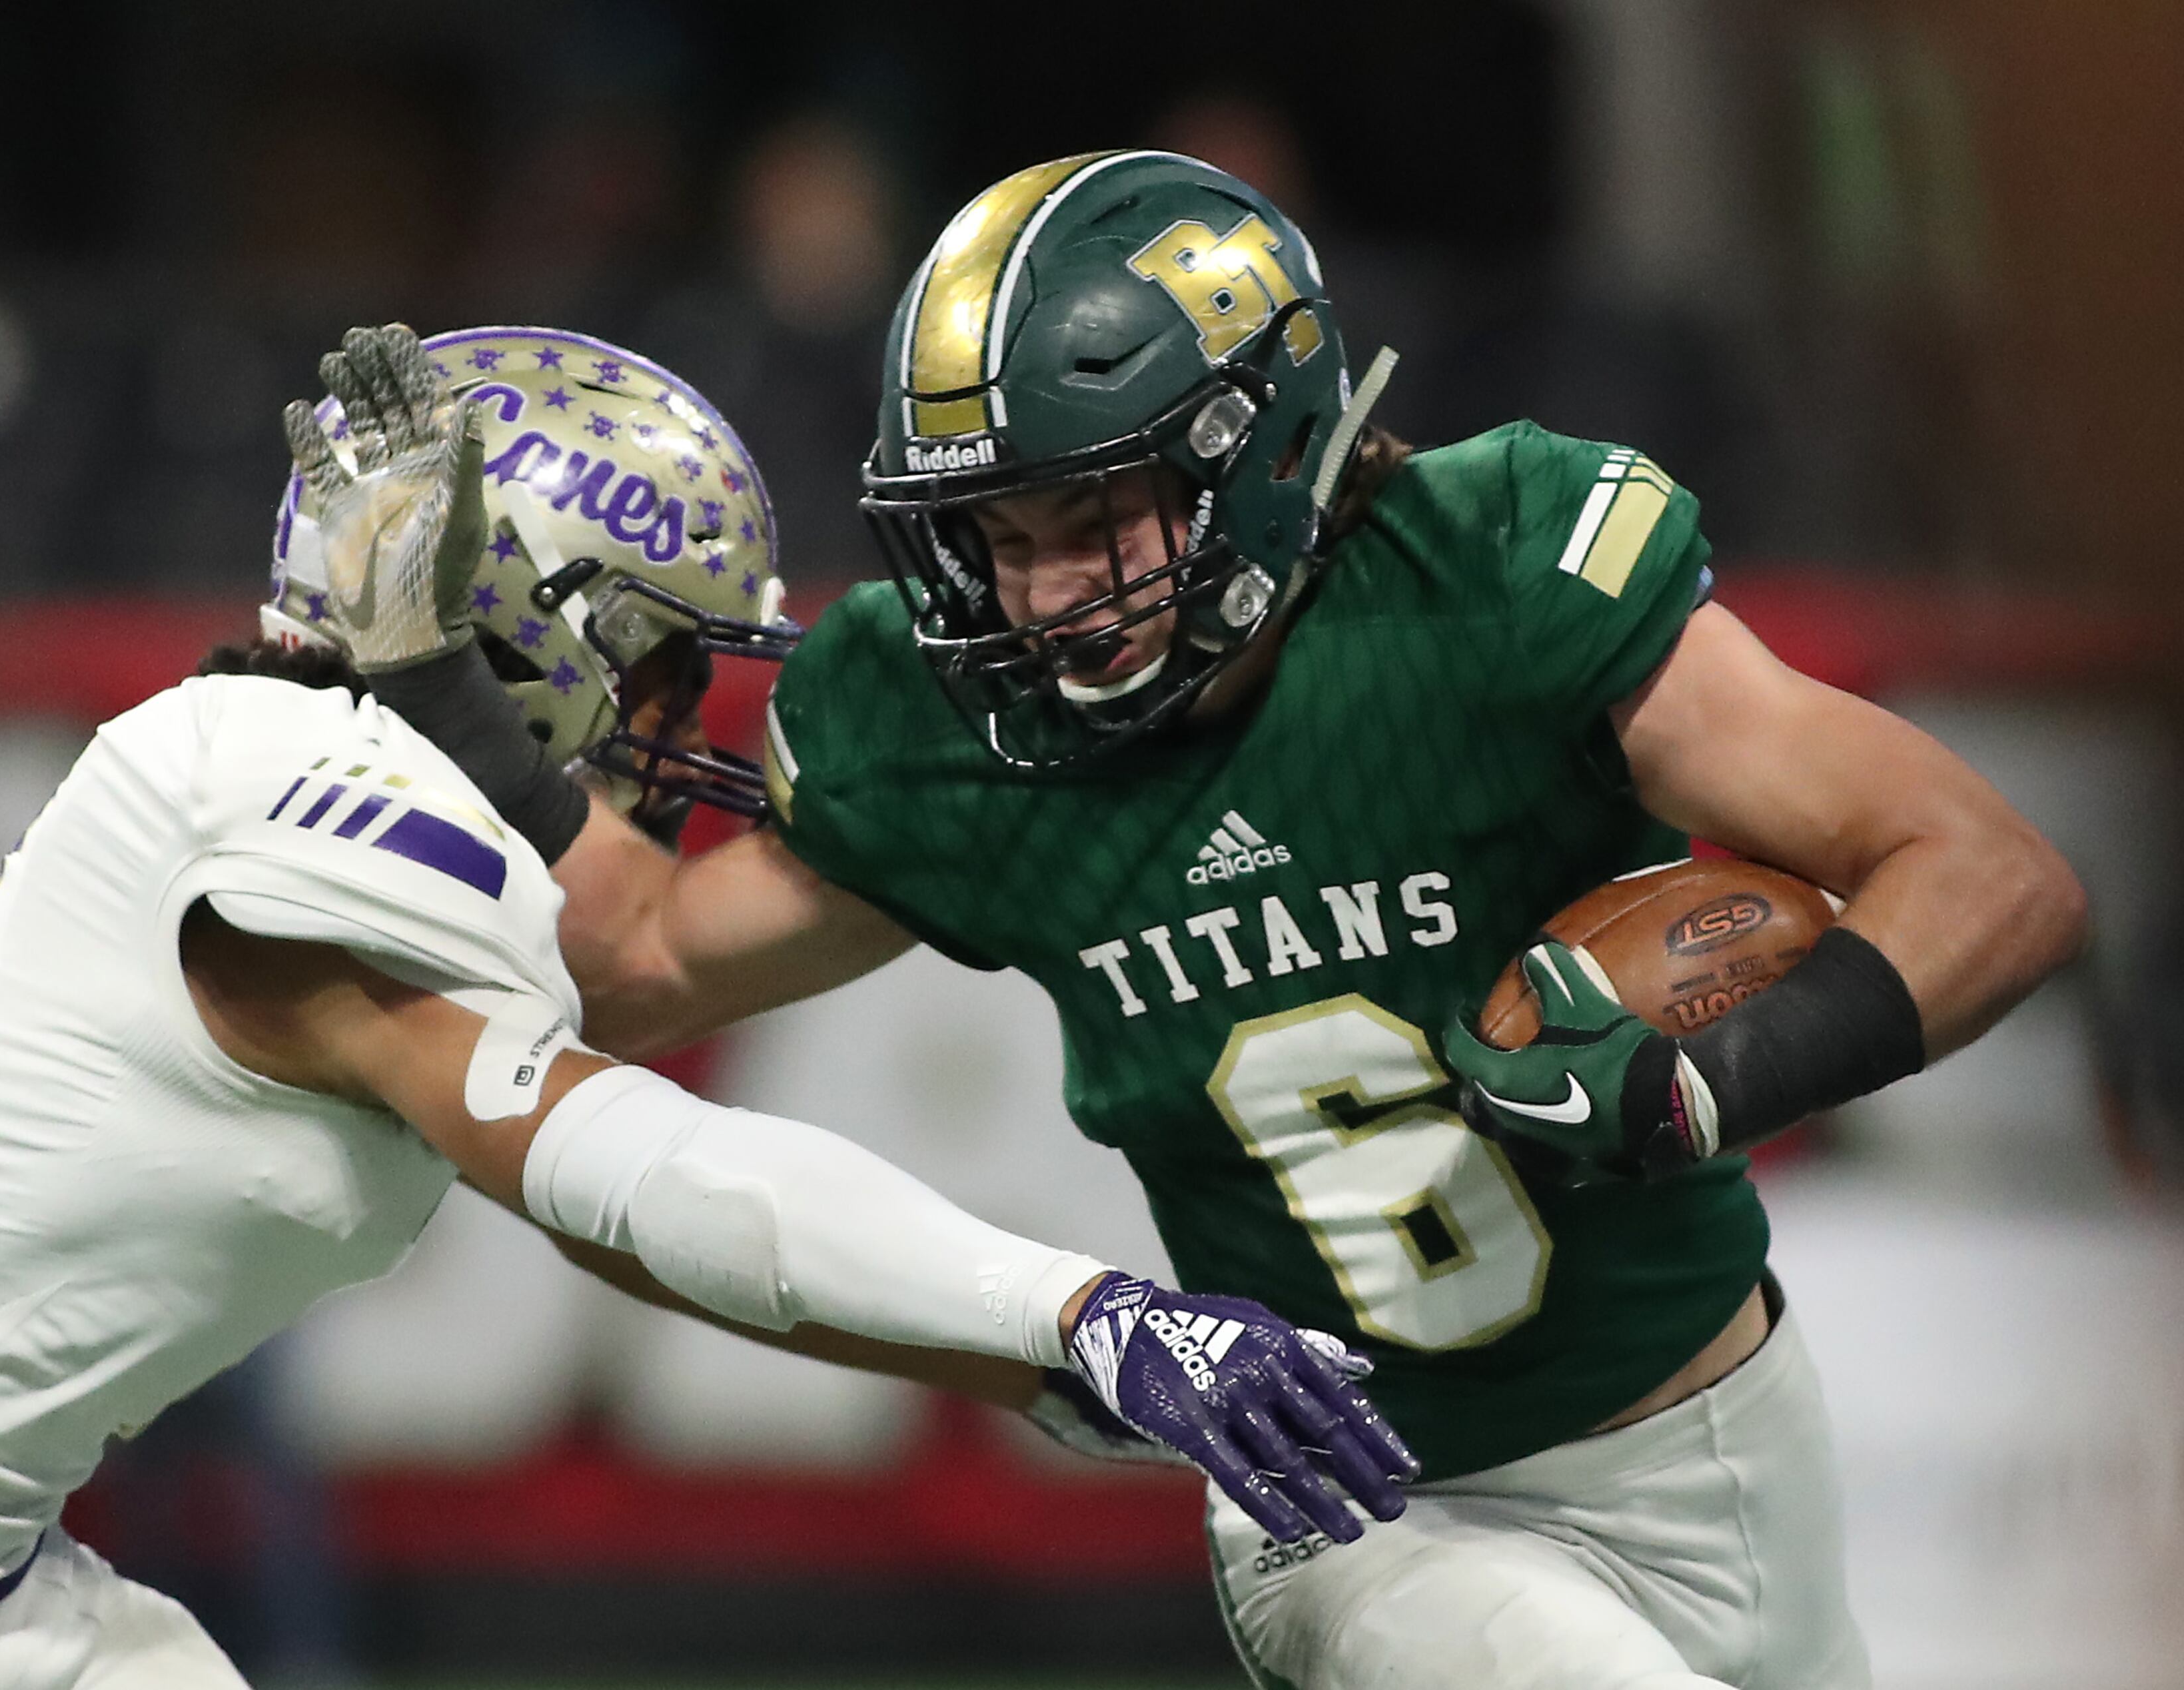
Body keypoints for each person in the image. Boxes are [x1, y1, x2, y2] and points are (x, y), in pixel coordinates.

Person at [326, 157, 2088, 1690]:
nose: (1045, 592)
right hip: (1361, 1507)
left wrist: (1712, 1079)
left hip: (1725, 1438)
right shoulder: (953, 728)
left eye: (1094, 515)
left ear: (1260, 455)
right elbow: (631, 968)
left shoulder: (1492, 574)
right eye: (998, 534)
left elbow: (1993, 873)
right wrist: (442, 680)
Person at [0, 323, 1415, 1689]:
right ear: (527, 625)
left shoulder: (311, 793)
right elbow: (630, 1174)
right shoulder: (269, 774)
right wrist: (1079, 1308)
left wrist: (1043, 1346)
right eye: (652, 657)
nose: (666, 719)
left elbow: (629, 1045)